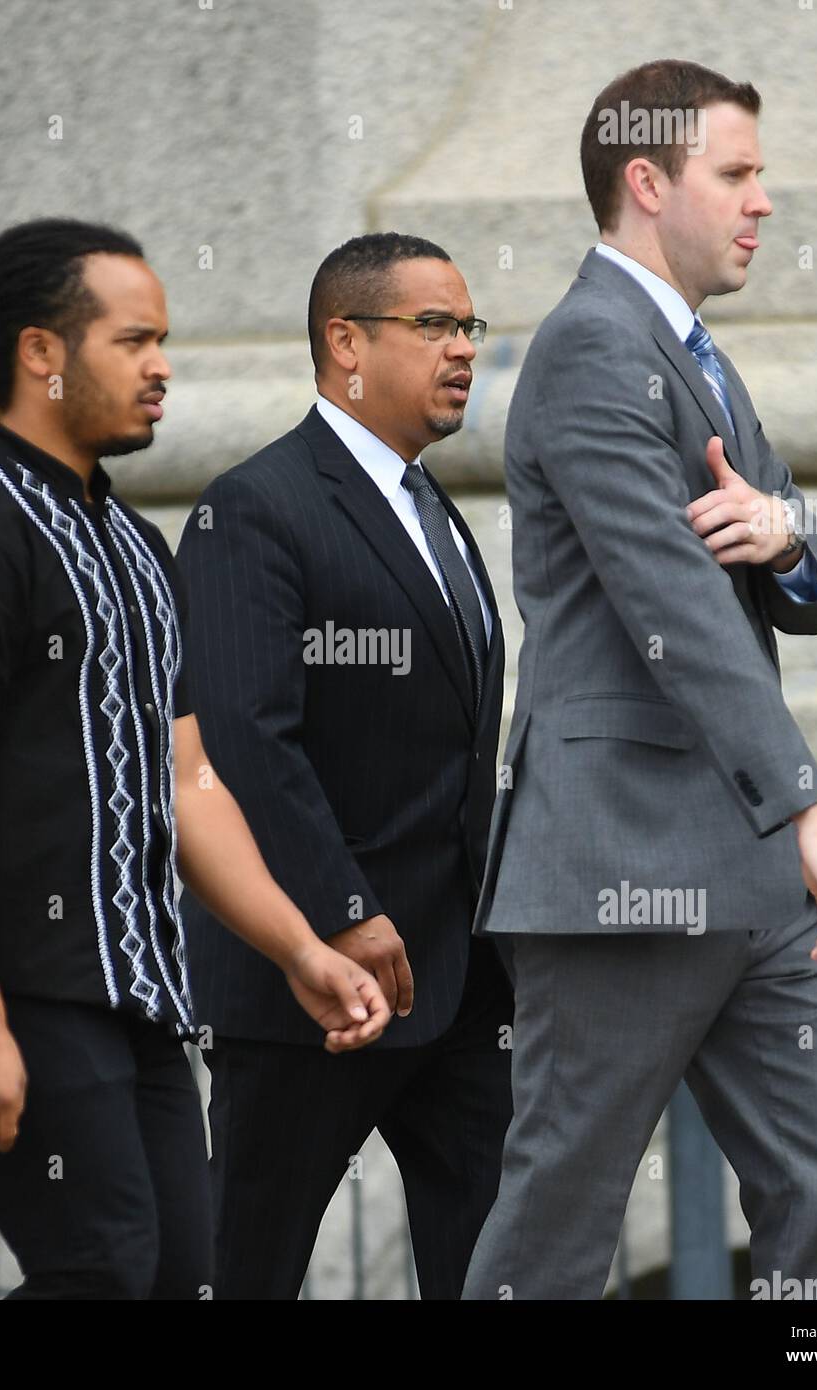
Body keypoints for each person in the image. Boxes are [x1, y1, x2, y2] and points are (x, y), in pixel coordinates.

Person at [0, 218, 390, 1300]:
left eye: (163, 342)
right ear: (40, 353)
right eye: (133, 340)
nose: (162, 367)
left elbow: (188, 783)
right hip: (15, 993)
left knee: (183, 1278)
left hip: (137, 991)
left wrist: (300, 949)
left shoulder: (135, 545)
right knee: (100, 1270)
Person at [462, 61, 817, 1300]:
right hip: (619, 865)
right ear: (647, 181)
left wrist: (787, 534)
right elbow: (676, 613)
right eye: (736, 174)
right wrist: (814, 813)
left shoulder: (691, 352)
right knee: (561, 1219)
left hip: (747, 867)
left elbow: (808, 566)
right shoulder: (592, 348)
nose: (762, 202)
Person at [176, 232, 514, 1299]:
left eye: (468, 327)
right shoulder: (255, 508)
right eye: (433, 326)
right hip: (309, 989)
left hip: (458, 982)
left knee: (498, 1266)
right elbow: (242, 742)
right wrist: (341, 909)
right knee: (248, 1269)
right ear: (345, 342)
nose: (462, 350)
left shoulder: (437, 512)